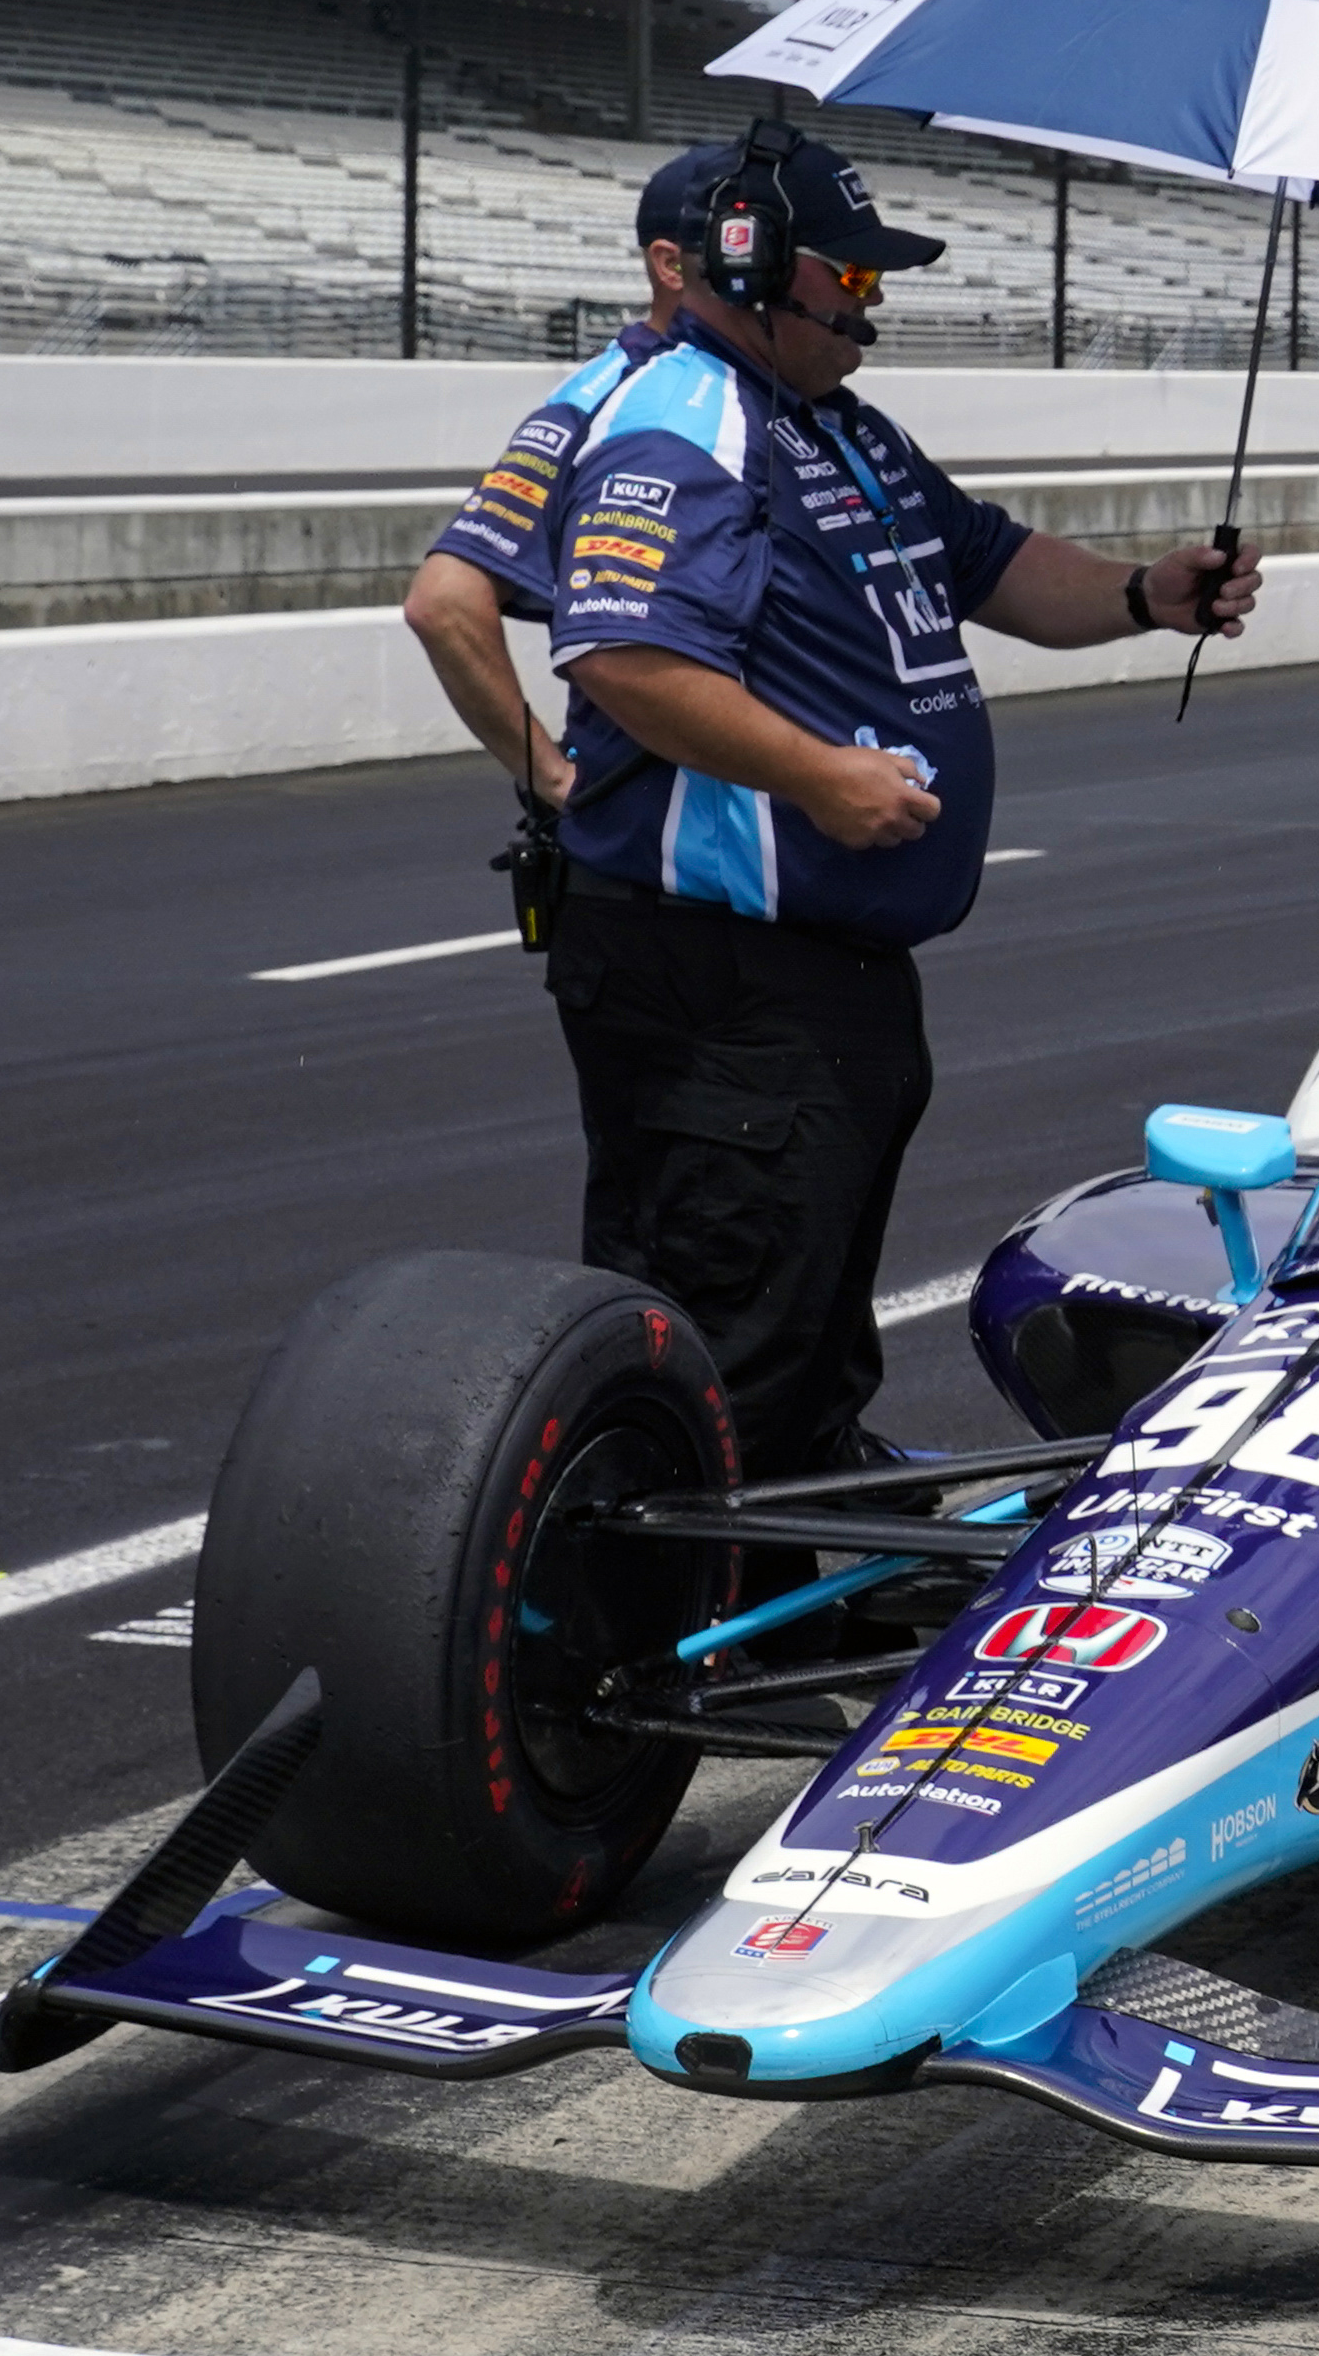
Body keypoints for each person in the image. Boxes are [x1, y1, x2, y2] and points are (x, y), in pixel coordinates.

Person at [538, 126, 1259, 1479]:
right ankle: (684, 1640)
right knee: (729, 1335)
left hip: (826, 978)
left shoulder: (837, 427)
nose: (874, 310)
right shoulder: (685, 418)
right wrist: (817, 774)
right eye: (853, 284)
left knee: (806, 1328)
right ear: (749, 265)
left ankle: (790, 1582)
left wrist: (1142, 595)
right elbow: (624, 655)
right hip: (719, 978)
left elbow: (983, 561)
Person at [400, 198, 695, 806]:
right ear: (671, 264)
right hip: (666, 837)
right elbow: (444, 602)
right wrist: (554, 779)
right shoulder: (603, 396)